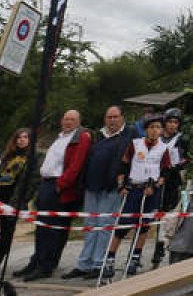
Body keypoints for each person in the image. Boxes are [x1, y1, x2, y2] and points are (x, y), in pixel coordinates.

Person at [14, 109, 91, 282]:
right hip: (47, 183)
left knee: (53, 229)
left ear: (78, 121)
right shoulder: (60, 137)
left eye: (72, 119)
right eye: (66, 119)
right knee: (41, 227)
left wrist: (60, 185)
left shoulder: (81, 137)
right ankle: (36, 261)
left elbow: (76, 165)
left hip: (59, 187)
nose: (68, 122)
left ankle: (45, 266)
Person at [65, 106, 136, 280]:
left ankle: (99, 265)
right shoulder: (98, 135)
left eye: (115, 117)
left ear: (122, 118)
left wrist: (123, 182)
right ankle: (84, 264)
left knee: (105, 226)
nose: (112, 120)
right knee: (90, 226)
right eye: (109, 117)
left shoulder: (130, 136)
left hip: (111, 189)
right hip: (91, 187)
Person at [104, 115, 172, 278]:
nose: (155, 130)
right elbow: (123, 165)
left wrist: (156, 185)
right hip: (133, 188)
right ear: (146, 129)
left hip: (150, 190)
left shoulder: (164, 148)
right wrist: (121, 185)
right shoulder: (135, 144)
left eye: (158, 127)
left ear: (161, 130)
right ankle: (110, 260)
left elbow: (166, 172)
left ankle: (135, 258)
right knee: (123, 225)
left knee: (144, 226)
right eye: (152, 127)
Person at [0, 129, 38, 275]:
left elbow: (32, 183)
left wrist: (22, 201)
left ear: (30, 140)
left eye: (25, 137)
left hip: (12, 201)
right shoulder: (8, 156)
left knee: (5, 235)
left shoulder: (32, 159)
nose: (21, 140)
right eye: (18, 137)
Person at [151, 107, 190, 268]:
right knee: (154, 216)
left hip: (172, 180)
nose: (173, 125)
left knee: (168, 216)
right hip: (155, 178)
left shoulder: (182, 139)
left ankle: (160, 251)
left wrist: (177, 165)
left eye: (176, 123)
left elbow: (186, 159)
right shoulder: (157, 137)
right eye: (170, 122)